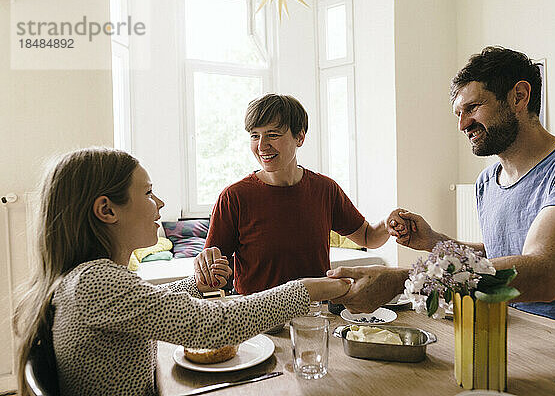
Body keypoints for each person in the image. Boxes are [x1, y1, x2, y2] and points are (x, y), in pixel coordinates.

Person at [12, 147, 351, 396]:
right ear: (106, 210)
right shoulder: (95, 282)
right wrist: (310, 289)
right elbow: (214, 326)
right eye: (147, 193)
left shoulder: (88, 278)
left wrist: (196, 284)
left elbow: (150, 302)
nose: (159, 203)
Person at [331, 47, 555, 333]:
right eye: (458, 114)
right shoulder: (486, 182)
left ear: (519, 96)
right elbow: (499, 258)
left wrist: (407, 279)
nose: (462, 125)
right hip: (508, 334)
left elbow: (544, 272)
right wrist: (435, 242)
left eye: (472, 108)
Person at [195, 93, 408, 295]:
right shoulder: (234, 197)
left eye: (273, 135)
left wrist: (388, 223)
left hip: (315, 314)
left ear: (300, 137)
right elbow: (213, 274)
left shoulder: (325, 189)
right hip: (257, 320)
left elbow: (367, 237)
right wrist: (209, 272)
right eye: (254, 136)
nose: (262, 146)